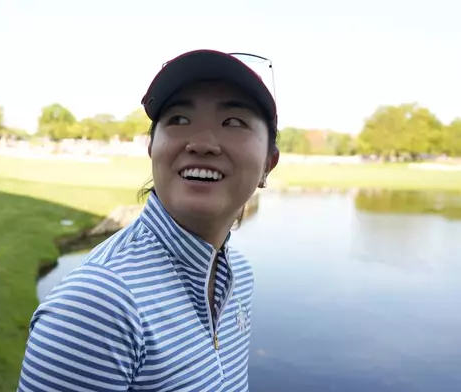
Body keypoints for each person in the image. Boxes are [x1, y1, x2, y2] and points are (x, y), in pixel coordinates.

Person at [17, 49, 280, 392]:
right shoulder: (99, 304)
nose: (201, 143)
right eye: (179, 119)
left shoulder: (239, 275)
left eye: (233, 122)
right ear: (152, 148)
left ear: (268, 165)